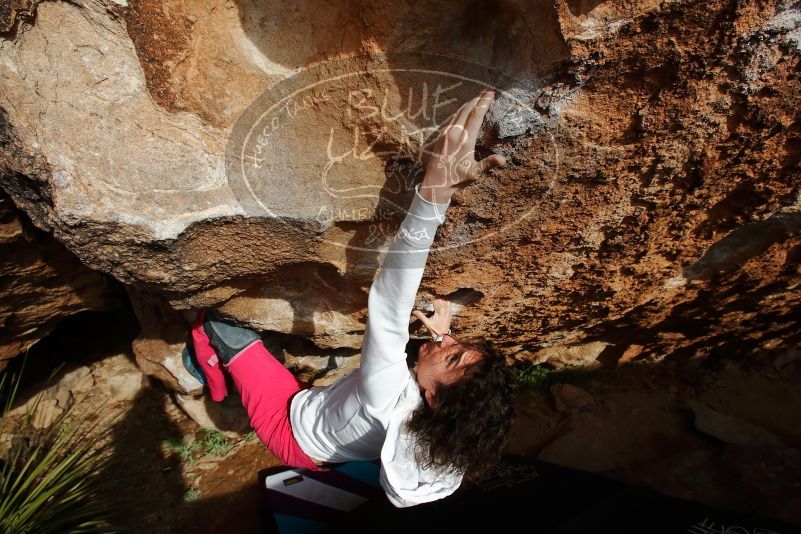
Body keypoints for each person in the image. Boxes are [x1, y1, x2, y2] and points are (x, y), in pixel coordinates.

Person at [184, 89, 517, 507]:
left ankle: (210, 376)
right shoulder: (439, 433)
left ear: (431, 399)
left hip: (287, 426)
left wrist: (436, 191)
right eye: (461, 346)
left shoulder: (385, 396)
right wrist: (444, 338)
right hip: (323, 429)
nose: (448, 343)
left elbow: (390, 302)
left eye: (451, 357)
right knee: (272, 351)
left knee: (218, 321)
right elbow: (437, 373)